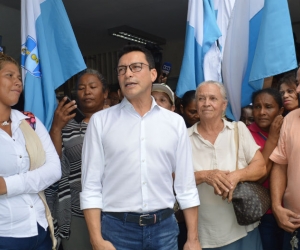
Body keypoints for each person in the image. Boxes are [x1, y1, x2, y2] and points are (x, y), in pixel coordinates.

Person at [80, 44, 201, 250]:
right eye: (122, 70)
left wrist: (193, 238)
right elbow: (91, 186)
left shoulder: (174, 122)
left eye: (136, 67)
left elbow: (186, 186)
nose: (128, 74)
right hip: (117, 230)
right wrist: (96, 239)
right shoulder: (101, 122)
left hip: (164, 229)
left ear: (153, 74)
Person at [188, 81, 266, 250]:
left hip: (244, 228)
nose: (206, 103)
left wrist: (237, 175)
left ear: (224, 105)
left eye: (212, 98)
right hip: (207, 234)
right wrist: (204, 175)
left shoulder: (238, 130)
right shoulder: (184, 138)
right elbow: (173, 179)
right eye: (201, 98)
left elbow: (260, 167)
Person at [0, 53, 61, 249]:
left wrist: (8, 185)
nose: (18, 82)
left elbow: (54, 170)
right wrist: (34, 180)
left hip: (40, 228)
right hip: (5, 235)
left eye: (19, 77)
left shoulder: (30, 121)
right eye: (9, 75)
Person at [46, 69, 108, 250]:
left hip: (114, 211)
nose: (87, 91)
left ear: (105, 93)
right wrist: (56, 128)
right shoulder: (67, 124)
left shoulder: (118, 121)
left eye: (93, 87)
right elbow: (53, 164)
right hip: (76, 211)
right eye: (81, 88)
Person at [248, 88, 284, 250]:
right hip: (264, 212)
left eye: (268, 107)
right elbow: (258, 177)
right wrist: (272, 139)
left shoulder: (290, 129)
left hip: (289, 208)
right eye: (257, 107)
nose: (262, 112)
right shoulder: (246, 135)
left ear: (280, 110)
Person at [269, 67, 300, 250]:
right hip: (293, 225)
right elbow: (280, 166)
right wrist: (277, 207)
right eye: (297, 83)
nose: (297, 90)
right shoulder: (290, 120)